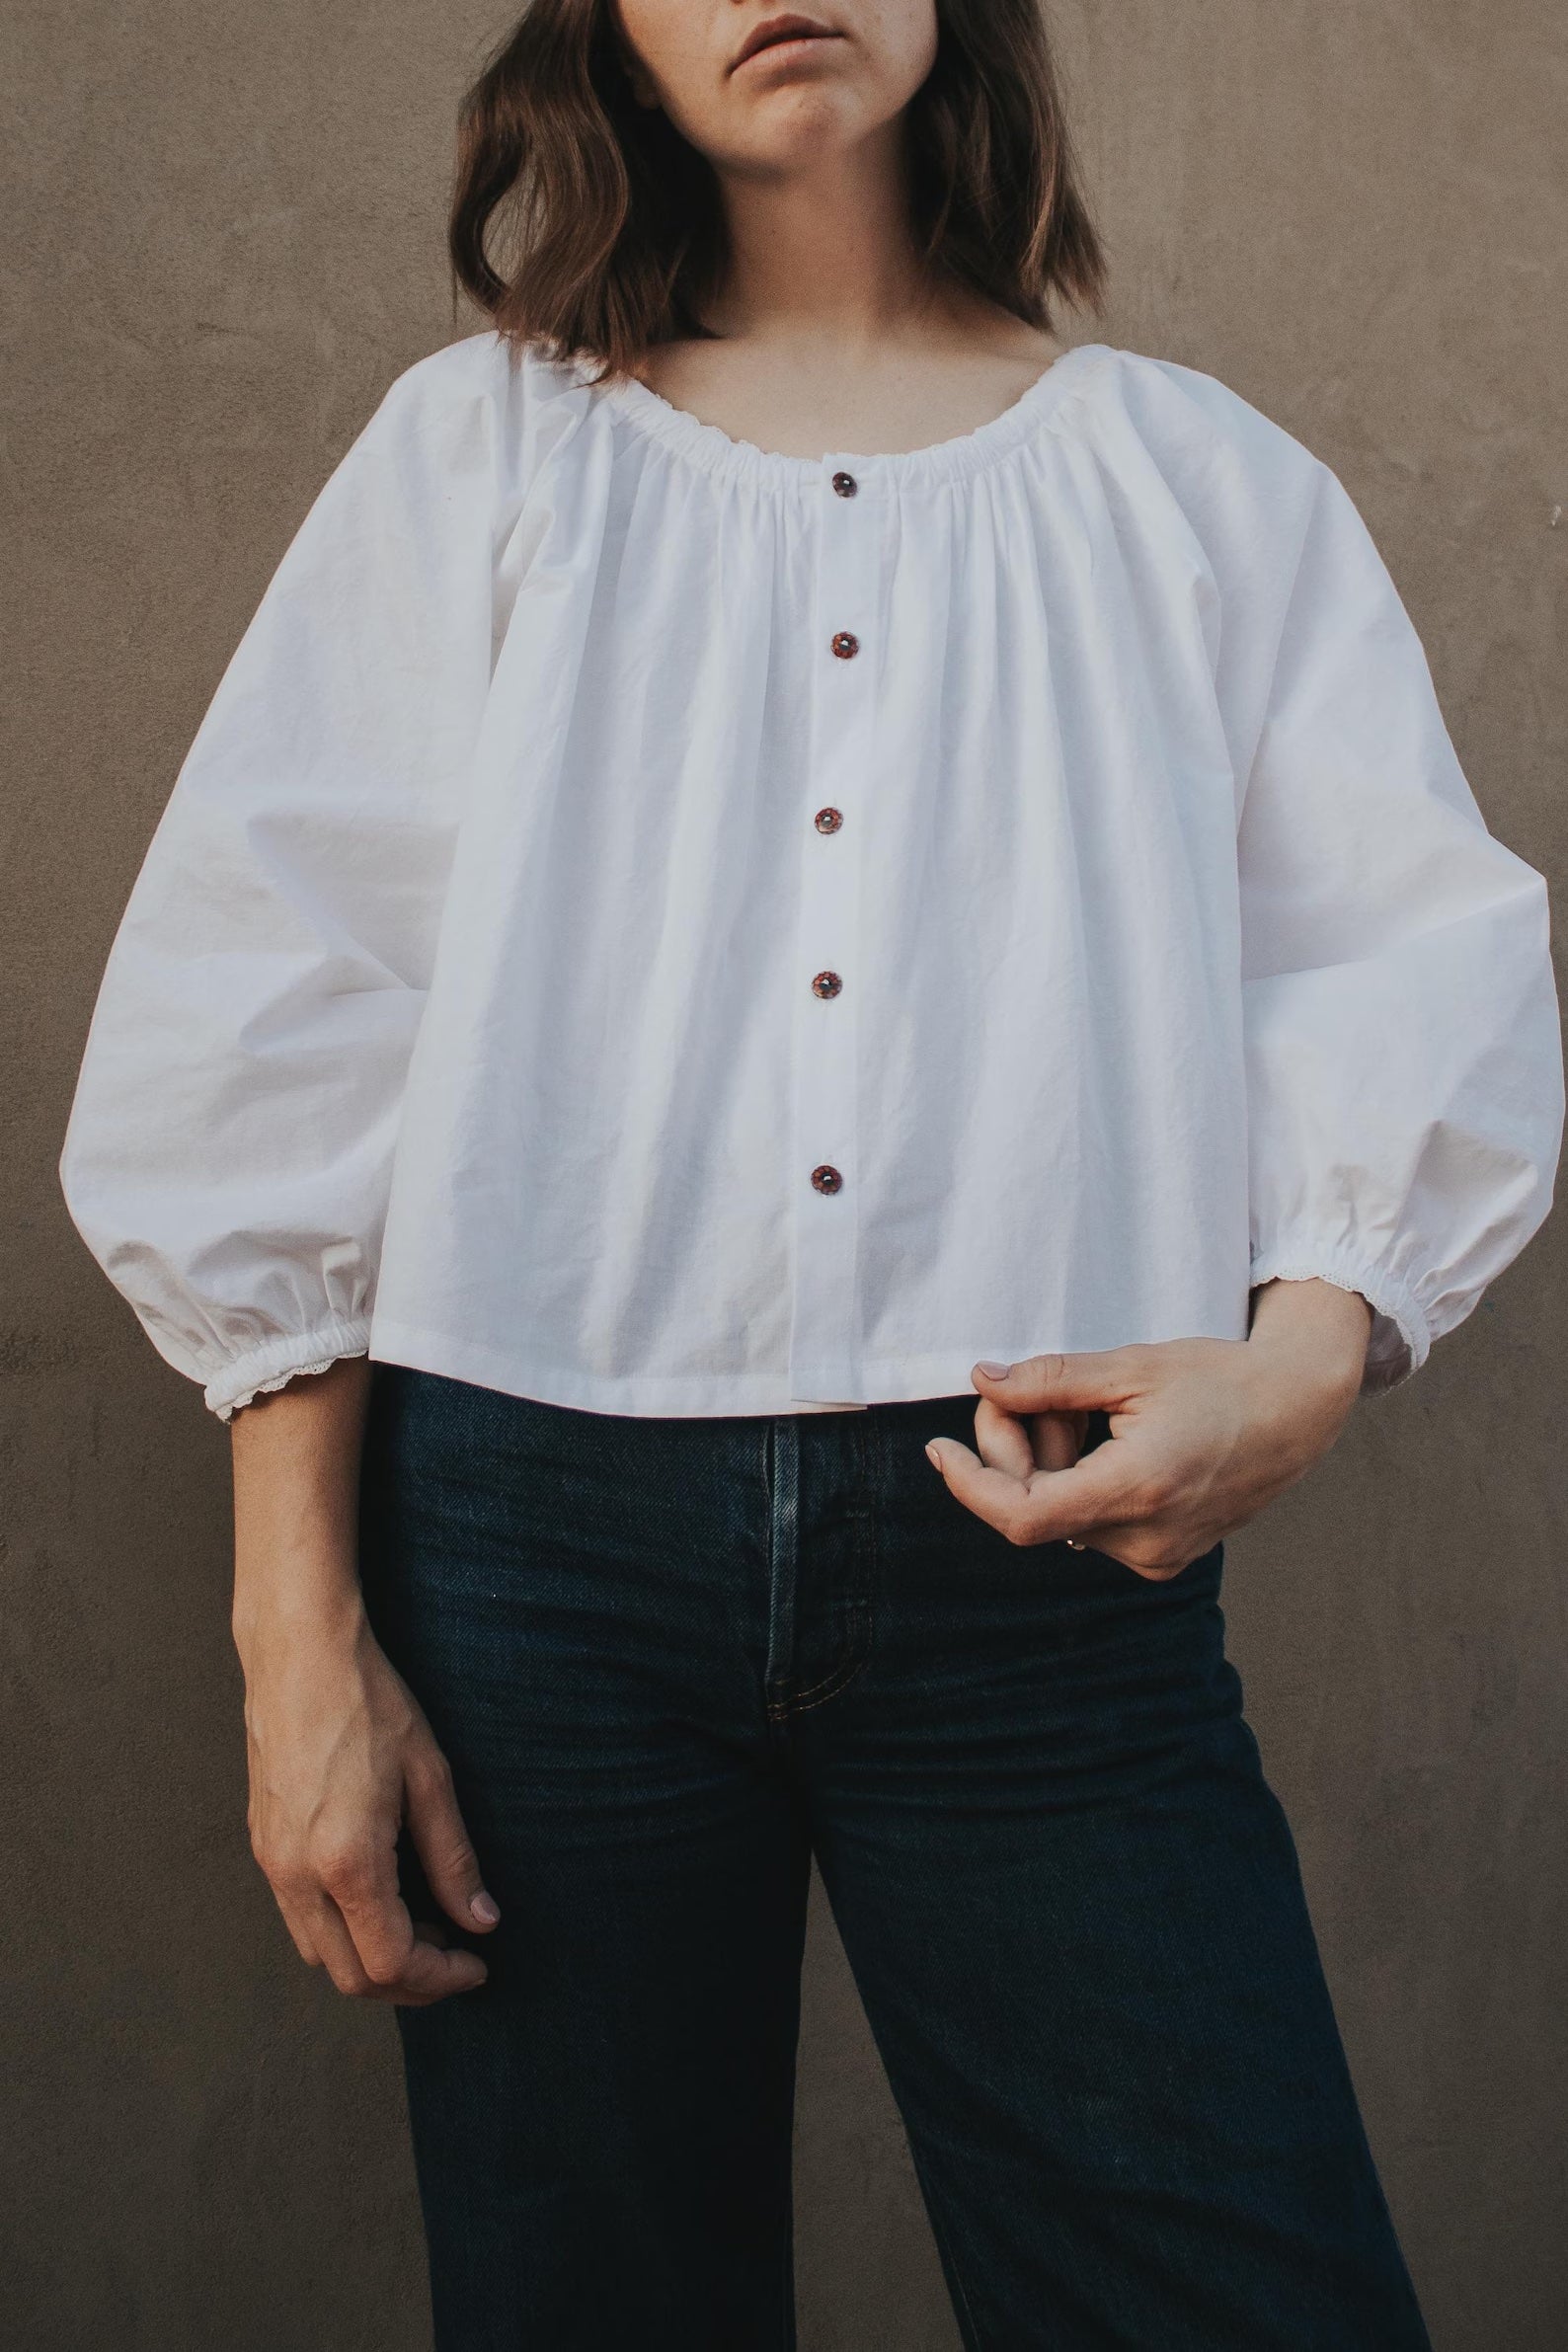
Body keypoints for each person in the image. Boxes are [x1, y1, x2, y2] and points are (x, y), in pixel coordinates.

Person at [58, 2, 1562, 2346]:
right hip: (525, 1560)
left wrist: (1299, 1372)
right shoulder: (480, 459)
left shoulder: (1193, 485)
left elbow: (1403, 965)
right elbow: (282, 1017)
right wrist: (296, 1636)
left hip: (1045, 1546)